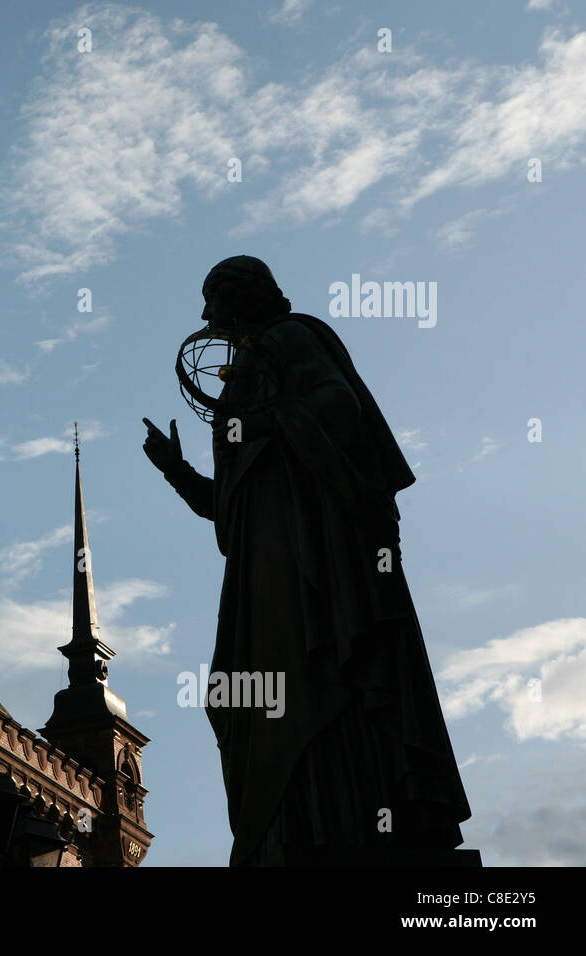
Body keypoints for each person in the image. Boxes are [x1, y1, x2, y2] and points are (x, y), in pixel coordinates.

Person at [143, 255, 472, 865]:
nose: (204, 314)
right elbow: (230, 504)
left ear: (241, 298)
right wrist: (177, 471)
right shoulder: (245, 369)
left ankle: (330, 819)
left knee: (311, 674)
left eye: (211, 298)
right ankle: (292, 822)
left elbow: (338, 409)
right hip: (260, 558)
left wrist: (266, 420)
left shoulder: (291, 339)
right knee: (237, 692)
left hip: (308, 549)